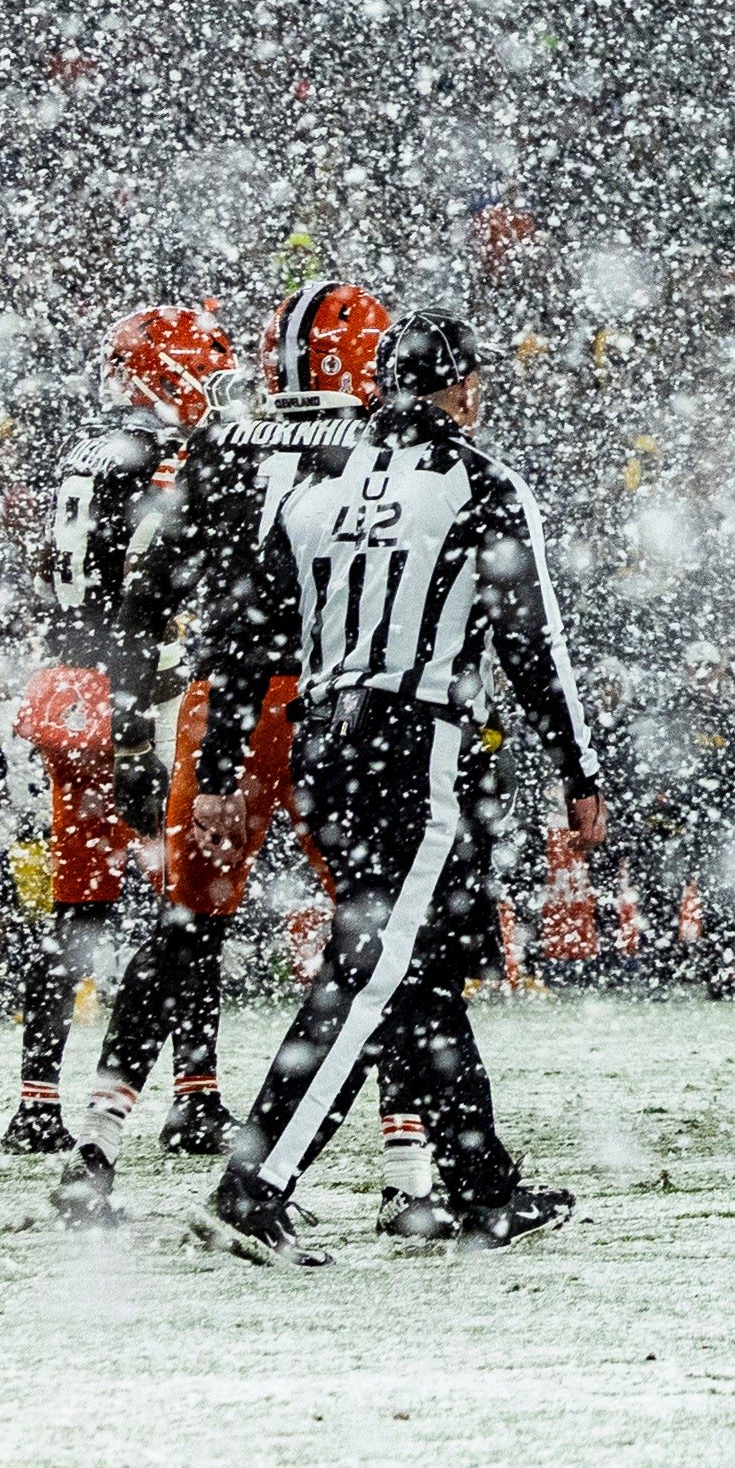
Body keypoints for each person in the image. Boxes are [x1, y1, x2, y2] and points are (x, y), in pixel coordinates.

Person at [192, 313, 608, 1264]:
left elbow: (246, 633)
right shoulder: (482, 481)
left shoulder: (316, 479)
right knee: (378, 968)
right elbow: (532, 642)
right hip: (415, 737)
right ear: (461, 385)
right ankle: (253, 1187)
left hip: (323, 743)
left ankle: (480, 1188)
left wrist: (219, 767)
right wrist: (578, 770)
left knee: (417, 973)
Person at [69, 280, 420, 1225]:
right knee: (378, 936)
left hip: (217, 698)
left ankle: (93, 1149)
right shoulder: (380, 447)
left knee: (186, 924)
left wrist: (149, 713)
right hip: (334, 703)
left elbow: (148, 582)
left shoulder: (223, 441)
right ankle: (409, 1175)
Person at [4, 305, 224, 1155]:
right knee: (189, 901)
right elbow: (149, 587)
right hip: (133, 689)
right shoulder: (159, 456)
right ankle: (194, 1092)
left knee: (79, 909)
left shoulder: (86, 449)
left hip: (67, 684)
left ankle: (34, 1099)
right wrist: (139, 706)